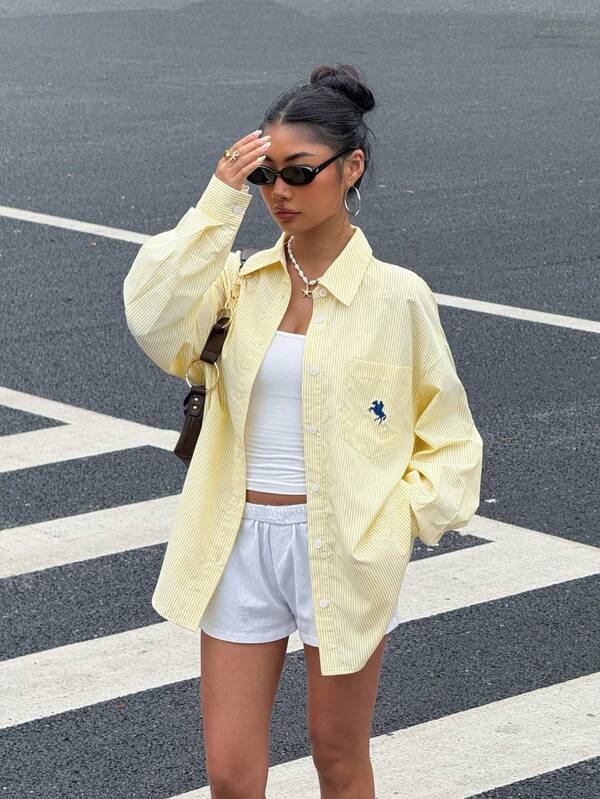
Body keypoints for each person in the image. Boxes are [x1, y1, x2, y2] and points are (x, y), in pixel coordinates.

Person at [123, 63, 483, 799]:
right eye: (264, 177)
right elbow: (151, 311)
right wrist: (218, 199)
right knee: (229, 772)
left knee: (338, 758)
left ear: (350, 168)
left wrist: (396, 521)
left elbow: (449, 436)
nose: (278, 192)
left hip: (346, 546)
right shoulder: (236, 284)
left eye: (298, 173)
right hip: (238, 542)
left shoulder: (396, 297)